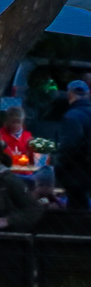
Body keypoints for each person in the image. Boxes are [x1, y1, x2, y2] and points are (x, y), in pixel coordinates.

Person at [57, 79, 91, 210]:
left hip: (78, 173)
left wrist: (59, 167)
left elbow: (69, 146)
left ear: (70, 94)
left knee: (77, 210)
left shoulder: (72, 116)